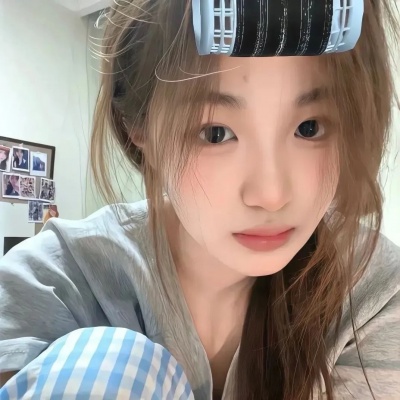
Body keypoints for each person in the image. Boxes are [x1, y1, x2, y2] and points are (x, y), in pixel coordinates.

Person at [0, 1, 399, 399]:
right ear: (138, 127)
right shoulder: (56, 281)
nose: (271, 195)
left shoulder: (371, 290)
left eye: (309, 128)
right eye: (215, 133)